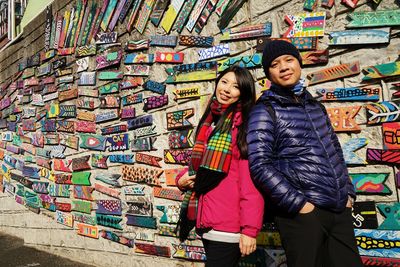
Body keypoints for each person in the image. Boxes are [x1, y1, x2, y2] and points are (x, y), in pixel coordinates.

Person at [246, 40, 363, 267]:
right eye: (275, 64)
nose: (284, 67)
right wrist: (299, 205)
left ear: (299, 64)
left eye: (289, 60)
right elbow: (260, 165)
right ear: (268, 74)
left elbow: (335, 150)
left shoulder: (314, 106)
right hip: (302, 213)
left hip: (338, 208)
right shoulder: (265, 109)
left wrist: (348, 193)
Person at [176, 65, 264, 267]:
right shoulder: (212, 120)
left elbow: (251, 183)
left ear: (244, 92)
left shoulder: (243, 127)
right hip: (206, 219)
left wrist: (250, 230)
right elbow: (199, 166)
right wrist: (181, 180)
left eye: (235, 86)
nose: (226, 89)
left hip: (228, 224)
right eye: (224, 82)